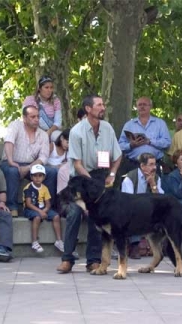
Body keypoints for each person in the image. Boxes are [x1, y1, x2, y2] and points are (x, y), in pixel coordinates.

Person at [56, 94, 122, 274]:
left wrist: (113, 174)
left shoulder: (107, 128)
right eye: (99, 105)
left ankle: (93, 260)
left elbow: (117, 156)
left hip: (100, 176)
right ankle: (67, 258)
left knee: (97, 216)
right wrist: (91, 184)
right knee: (75, 213)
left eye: (103, 104)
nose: (103, 107)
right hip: (80, 178)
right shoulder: (77, 131)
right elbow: (77, 164)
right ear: (88, 109)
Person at [0, 105, 57, 217]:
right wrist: (11, 161)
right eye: (33, 117)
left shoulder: (43, 134)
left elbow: (44, 157)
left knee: (52, 172)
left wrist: (28, 168)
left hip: (32, 164)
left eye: (38, 116)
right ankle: (12, 207)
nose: (36, 119)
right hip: (10, 161)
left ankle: (49, 206)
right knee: (13, 171)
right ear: (25, 118)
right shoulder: (15, 125)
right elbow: (9, 142)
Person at [121, 153, 164, 259]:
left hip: (149, 209)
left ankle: (162, 245)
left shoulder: (156, 178)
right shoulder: (130, 178)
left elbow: (161, 200)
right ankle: (134, 245)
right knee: (137, 214)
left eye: (155, 164)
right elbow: (127, 202)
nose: (154, 168)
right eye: (151, 164)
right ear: (142, 166)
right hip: (131, 210)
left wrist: (153, 184)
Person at [118, 97, 171, 175]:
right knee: (132, 187)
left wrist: (150, 141)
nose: (142, 107)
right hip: (133, 165)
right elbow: (120, 145)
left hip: (154, 165)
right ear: (137, 107)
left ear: (150, 106)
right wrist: (131, 145)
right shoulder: (129, 125)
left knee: (154, 187)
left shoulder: (160, 123)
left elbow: (167, 143)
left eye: (145, 104)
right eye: (140, 105)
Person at [23, 164, 63, 254]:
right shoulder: (28, 188)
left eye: (40, 176)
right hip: (30, 209)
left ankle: (59, 241)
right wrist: (40, 212)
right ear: (31, 177)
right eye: (35, 175)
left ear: (44, 177)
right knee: (37, 218)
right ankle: (34, 241)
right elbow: (28, 204)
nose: (38, 178)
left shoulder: (45, 188)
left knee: (56, 216)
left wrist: (44, 210)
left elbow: (48, 203)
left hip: (43, 209)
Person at [23, 76, 63, 142]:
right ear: (40, 89)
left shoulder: (56, 101)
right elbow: (26, 120)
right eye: (46, 87)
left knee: (60, 139)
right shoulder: (30, 100)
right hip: (34, 131)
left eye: (51, 87)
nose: (49, 90)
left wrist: (48, 132)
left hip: (51, 131)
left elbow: (58, 122)